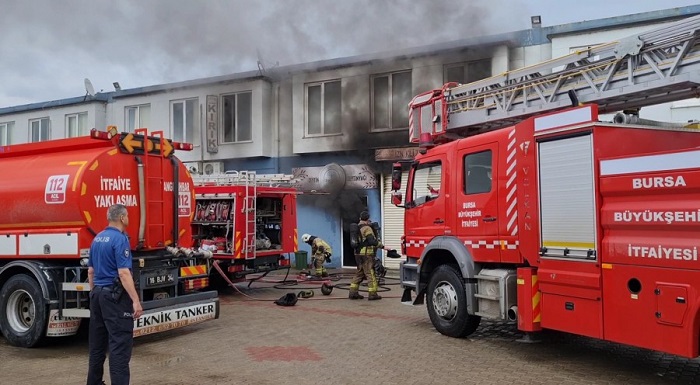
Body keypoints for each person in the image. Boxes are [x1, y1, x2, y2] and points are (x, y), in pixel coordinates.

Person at [86, 204, 143, 385]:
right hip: (114, 298)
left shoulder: (97, 238)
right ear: (122, 218)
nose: (128, 219)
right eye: (127, 216)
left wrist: (94, 293)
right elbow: (124, 273)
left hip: (98, 297)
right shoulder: (120, 239)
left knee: (97, 346)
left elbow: (90, 271)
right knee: (119, 347)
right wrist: (135, 300)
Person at [349, 211, 388, 301]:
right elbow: (371, 241)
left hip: (358, 254)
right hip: (366, 254)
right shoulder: (367, 228)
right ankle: (373, 294)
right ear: (368, 219)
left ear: (360, 218)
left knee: (359, 273)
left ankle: (353, 293)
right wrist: (383, 246)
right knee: (370, 274)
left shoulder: (358, 227)